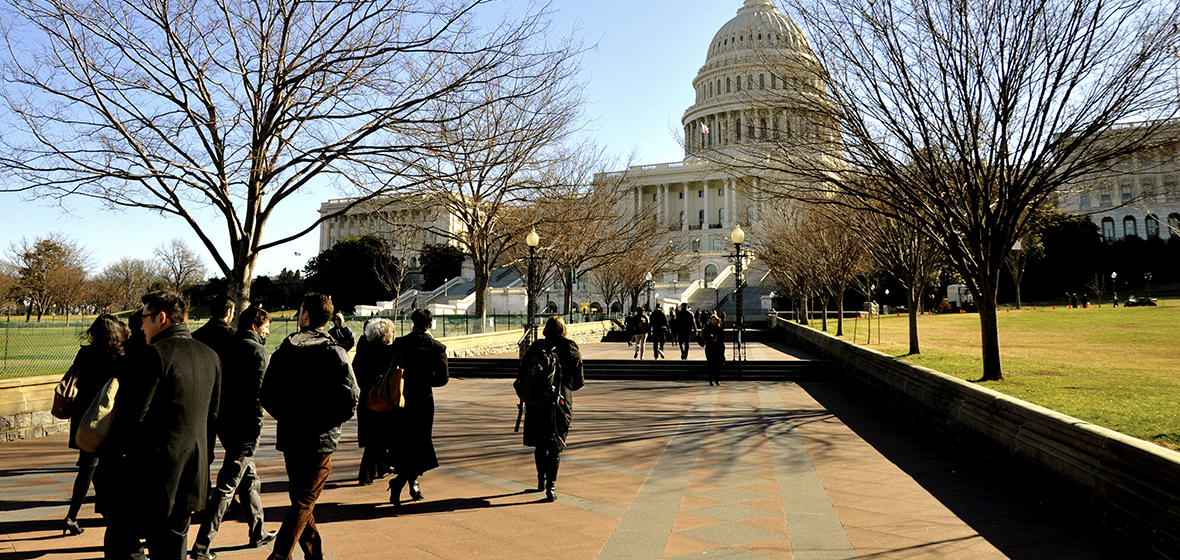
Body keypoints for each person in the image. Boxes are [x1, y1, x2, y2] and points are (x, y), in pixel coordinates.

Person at [100, 291, 221, 560]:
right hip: (193, 469)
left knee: (122, 539)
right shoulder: (210, 355)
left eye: (144, 317)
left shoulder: (154, 355)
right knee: (173, 544)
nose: (141, 325)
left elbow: (134, 418)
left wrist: (114, 460)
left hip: (154, 473)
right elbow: (212, 419)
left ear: (161, 318)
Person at [260, 293, 359, 560]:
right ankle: (280, 555)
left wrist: (290, 416)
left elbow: (267, 394)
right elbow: (352, 396)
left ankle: (313, 554)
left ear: (305, 316)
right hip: (320, 437)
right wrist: (328, 421)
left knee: (302, 500)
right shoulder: (334, 352)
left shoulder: (284, 352)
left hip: (293, 435)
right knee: (305, 500)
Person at [189, 306, 277, 560]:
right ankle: (202, 546)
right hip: (246, 425)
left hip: (224, 422)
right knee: (228, 485)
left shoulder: (224, 348)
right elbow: (263, 394)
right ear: (254, 326)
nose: (268, 332)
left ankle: (257, 530)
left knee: (248, 477)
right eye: (265, 327)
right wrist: (258, 423)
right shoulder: (259, 352)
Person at [62, 314, 129, 537]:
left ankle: (101, 509)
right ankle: (72, 515)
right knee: (94, 468)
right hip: (103, 418)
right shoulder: (118, 356)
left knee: (91, 465)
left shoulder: (85, 352)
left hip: (82, 415)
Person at [387, 309, 449, 506]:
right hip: (423, 399)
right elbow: (442, 378)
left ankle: (406, 480)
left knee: (404, 441)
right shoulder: (437, 347)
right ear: (430, 324)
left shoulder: (400, 343)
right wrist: (423, 379)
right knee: (420, 442)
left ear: (413, 322)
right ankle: (405, 481)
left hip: (402, 398)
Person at [519, 316, 585, 502]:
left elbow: (522, 373)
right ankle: (551, 488)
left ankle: (541, 480)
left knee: (540, 444)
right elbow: (579, 381)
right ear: (563, 329)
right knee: (554, 445)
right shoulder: (571, 349)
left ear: (546, 329)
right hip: (560, 402)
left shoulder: (536, 347)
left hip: (536, 401)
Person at [353, 318, 397, 486]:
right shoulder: (388, 352)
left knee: (375, 437)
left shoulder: (362, 351)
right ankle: (366, 474)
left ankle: (382, 467)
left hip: (366, 398)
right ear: (385, 336)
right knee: (379, 438)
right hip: (382, 399)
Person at [702, 313, 726, 386]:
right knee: (711, 365)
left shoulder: (720, 329)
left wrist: (718, 339)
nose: (713, 321)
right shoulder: (708, 328)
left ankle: (717, 379)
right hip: (710, 348)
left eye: (715, 320)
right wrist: (712, 339)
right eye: (712, 320)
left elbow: (723, 337)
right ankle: (711, 380)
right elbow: (705, 337)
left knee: (718, 365)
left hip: (718, 348)